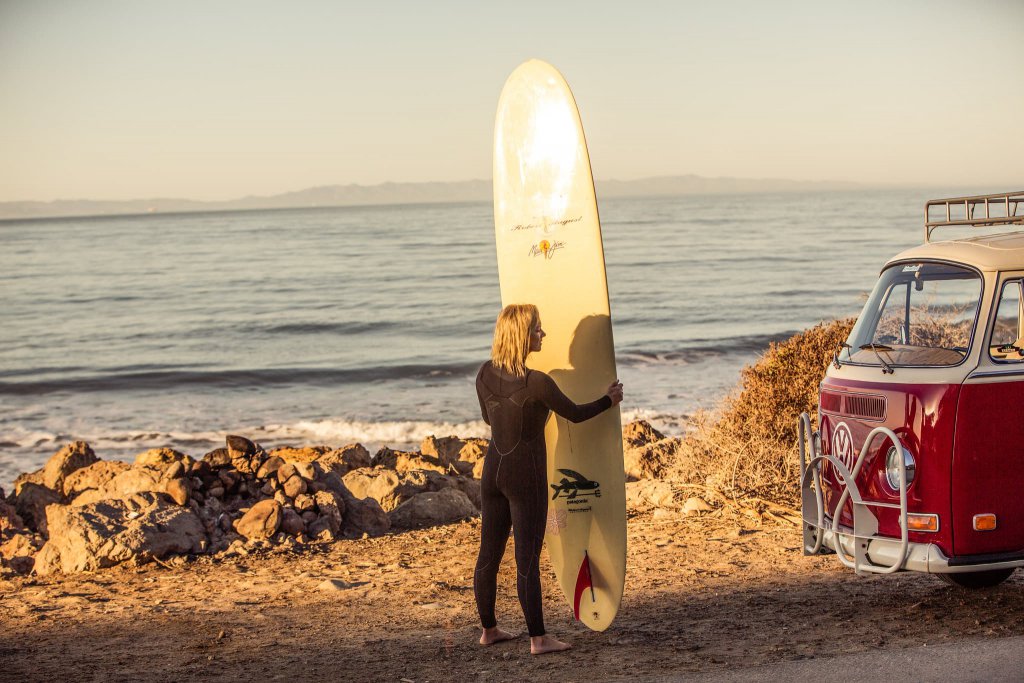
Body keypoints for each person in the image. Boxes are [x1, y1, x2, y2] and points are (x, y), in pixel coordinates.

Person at [473, 303, 623, 655]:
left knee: (488, 555)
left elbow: (487, 418)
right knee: (526, 560)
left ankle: (488, 629)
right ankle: (538, 639)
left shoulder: (483, 373)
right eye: (537, 328)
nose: (542, 334)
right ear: (521, 335)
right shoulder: (536, 382)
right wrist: (609, 399)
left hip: (491, 471)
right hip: (525, 477)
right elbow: (575, 414)